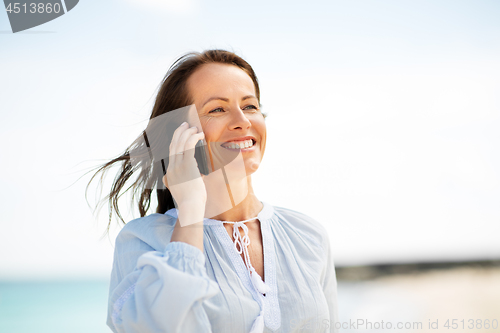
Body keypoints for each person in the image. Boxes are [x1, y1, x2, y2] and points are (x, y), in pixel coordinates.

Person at [89, 49, 339, 333]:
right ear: (180, 136)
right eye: (217, 109)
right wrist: (192, 210)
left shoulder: (309, 234)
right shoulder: (144, 241)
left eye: (250, 106)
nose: (242, 121)